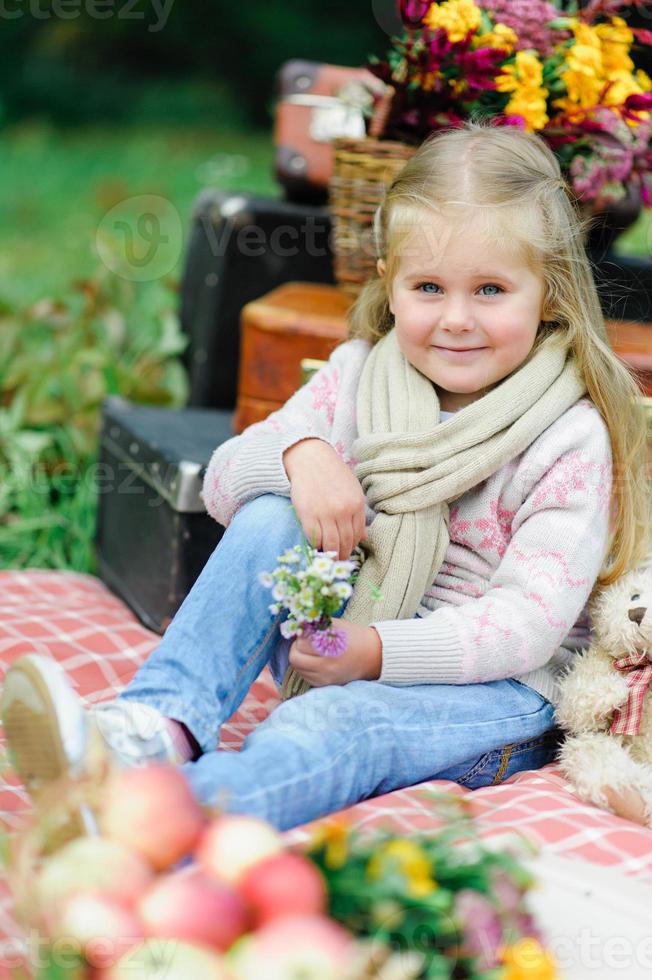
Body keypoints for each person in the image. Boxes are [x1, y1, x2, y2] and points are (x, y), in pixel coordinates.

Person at [2, 120, 650, 836]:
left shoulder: (566, 433)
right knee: (272, 511)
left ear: (550, 294)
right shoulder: (359, 376)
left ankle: (157, 823)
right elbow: (220, 485)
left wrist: (376, 654)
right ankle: (156, 725)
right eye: (429, 286)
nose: (457, 320)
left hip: (487, 691)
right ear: (390, 285)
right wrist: (299, 456)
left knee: (334, 724)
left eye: (491, 289)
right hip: (344, 635)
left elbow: (527, 626)